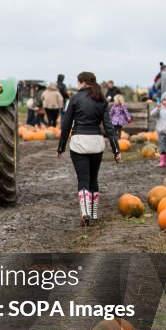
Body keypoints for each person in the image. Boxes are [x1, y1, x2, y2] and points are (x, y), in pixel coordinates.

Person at [56, 71, 121, 225]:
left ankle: (85, 213)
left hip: (79, 143)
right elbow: (109, 127)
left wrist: (61, 146)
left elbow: (66, 125)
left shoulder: (75, 99)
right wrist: (116, 150)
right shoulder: (101, 99)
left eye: (78, 82)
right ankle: (94, 213)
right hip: (97, 142)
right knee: (93, 178)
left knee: (83, 178)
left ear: (83, 83)